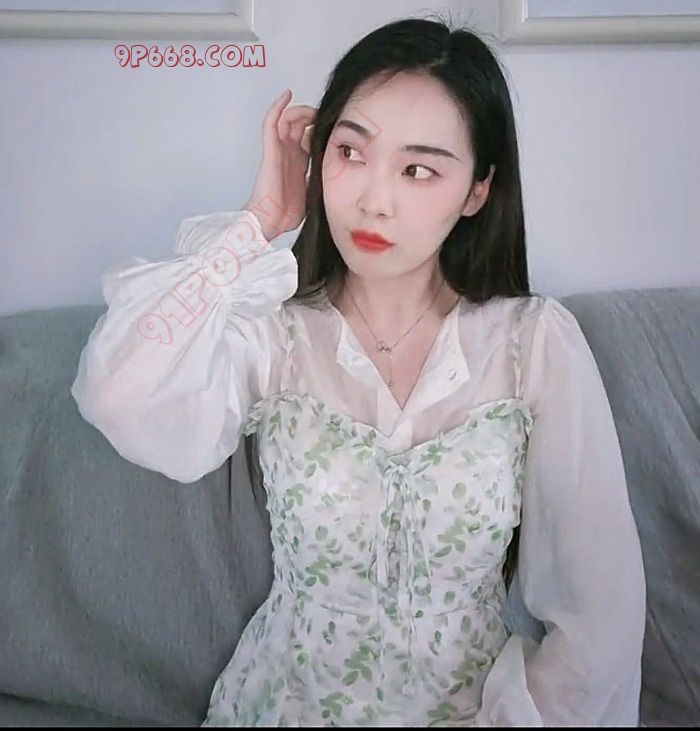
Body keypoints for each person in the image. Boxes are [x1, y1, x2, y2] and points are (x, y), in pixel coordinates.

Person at [71, 15, 647, 728]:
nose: (374, 199)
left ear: (477, 190)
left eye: (418, 169)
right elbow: (118, 392)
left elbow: (602, 618)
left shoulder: (532, 345)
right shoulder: (274, 335)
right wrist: (259, 220)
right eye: (350, 151)